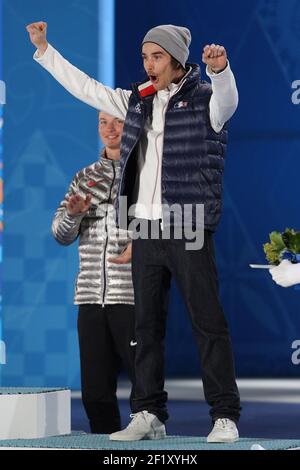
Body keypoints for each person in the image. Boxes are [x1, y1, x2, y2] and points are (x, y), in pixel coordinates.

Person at [27, 21, 241, 443]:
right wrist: (45, 50)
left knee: (207, 322)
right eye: (145, 57)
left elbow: (228, 103)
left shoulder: (203, 100)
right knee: (145, 328)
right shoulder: (136, 102)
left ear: (177, 59)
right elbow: (86, 88)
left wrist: (220, 72)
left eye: (156, 56)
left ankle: (225, 415)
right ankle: (147, 413)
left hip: (188, 225)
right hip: (143, 228)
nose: (148, 64)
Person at [52, 111, 135, 434]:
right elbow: (60, 234)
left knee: (144, 383)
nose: (110, 129)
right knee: (95, 389)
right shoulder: (83, 177)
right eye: (103, 122)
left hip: (131, 296)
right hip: (89, 297)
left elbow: (167, 227)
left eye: (118, 121)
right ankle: (104, 440)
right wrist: (74, 215)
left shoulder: (146, 172)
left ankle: (152, 440)